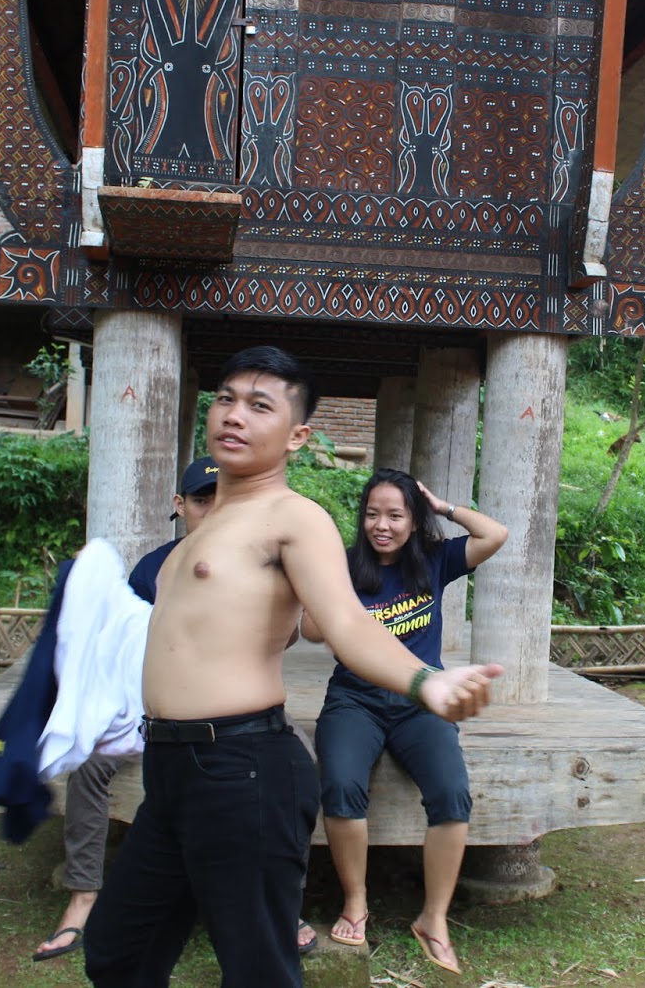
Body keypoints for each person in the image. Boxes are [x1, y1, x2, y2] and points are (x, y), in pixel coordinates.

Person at [82, 346, 502, 988]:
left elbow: (346, 622)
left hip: (240, 766)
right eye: (226, 399)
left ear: (297, 436)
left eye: (260, 406)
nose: (234, 415)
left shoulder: (294, 518)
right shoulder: (197, 532)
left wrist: (426, 680)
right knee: (118, 952)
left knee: (258, 971)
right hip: (169, 767)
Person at [304, 468, 507, 975]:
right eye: (373, 514)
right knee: (341, 785)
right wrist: (327, 592)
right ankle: (356, 902)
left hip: (421, 703)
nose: (382, 525)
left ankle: (433, 918)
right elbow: (309, 630)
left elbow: (494, 535)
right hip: (356, 699)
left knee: (452, 793)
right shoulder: (344, 566)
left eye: (396, 515)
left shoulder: (434, 560)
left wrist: (442, 507)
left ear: (414, 521)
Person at [33, 457, 225, 961]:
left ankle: (276, 902)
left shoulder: (253, 563)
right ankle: (83, 895)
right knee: (89, 764)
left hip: (228, 709)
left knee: (289, 760)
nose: (212, 510)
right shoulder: (151, 570)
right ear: (180, 505)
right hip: (151, 708)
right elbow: (118, 650)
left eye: (223, 499)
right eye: (201, 500)